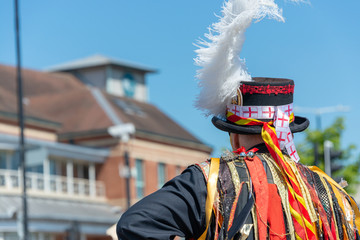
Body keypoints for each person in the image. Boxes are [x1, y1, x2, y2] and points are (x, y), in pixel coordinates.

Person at [117, 77, 360, 240]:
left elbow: (134, 225)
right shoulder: (332, 192)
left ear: (234, 136)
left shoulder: (208, 180)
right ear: (288, 133)